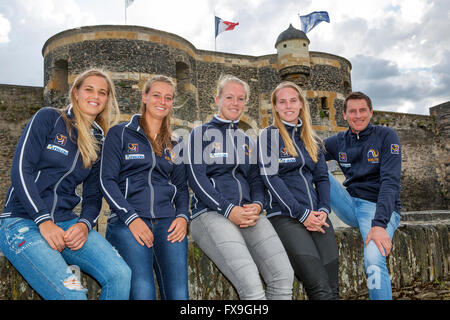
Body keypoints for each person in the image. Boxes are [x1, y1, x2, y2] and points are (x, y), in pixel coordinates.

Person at [0, 69, 132, 300]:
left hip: (66, 223)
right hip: (22, 221)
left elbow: (93, 196)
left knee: (120, 274)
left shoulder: (99, 140)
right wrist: (43, 220)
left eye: (102, 92)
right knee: (73, 295)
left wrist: (84, 225)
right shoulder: (49, 118)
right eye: (89, 89)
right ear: (76, 93)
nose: (95, 96)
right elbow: (21, 170)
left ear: (107, 100)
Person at [186, 74, 294, 300]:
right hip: (210, 214)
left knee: (283, 276)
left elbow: (256, 179)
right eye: (230, 97)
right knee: (250, 283)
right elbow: (197, 180)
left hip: (248, 213)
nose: (235, 103)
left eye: (241, 99)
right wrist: (228, 210)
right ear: (217, 99)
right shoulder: (200, 134)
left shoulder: (247, 140)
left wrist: (257, 203)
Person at [100, 75, 189, 300]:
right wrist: (131, 218)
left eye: (168, 97)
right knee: (143, 292)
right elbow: (107, 180)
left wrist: (182, 217)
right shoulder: (119, 133)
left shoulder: (175, 143)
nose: (162, 101)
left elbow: (181, 187)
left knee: (179, 295)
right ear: (145, 97)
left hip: (168, 222)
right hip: (127, 221)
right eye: (156, 95)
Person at [258, 81, 339, 300]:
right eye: (282, 102)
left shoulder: (312, 139)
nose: (288, 106)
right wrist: (301, 213)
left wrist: (324, 208)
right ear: (275, 107)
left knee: (333, 287)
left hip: (317, 216)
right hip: (286, 217)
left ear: (301, 104)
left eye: (293, 100)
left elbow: (322, 178)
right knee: (319, 287)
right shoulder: (269, 136)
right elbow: (270, 177)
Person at [324, 91, 402, 300]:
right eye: (352, 111)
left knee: (373, 261)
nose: (357, 116)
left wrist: (379, 224)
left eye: (362, 110)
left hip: (377, 209)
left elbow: (390, 182)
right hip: (350, 205)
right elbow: (305, 155)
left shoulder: (386, 136)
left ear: (371, 112)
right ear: (344, 114)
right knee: (314, 165)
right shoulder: (337, 141)